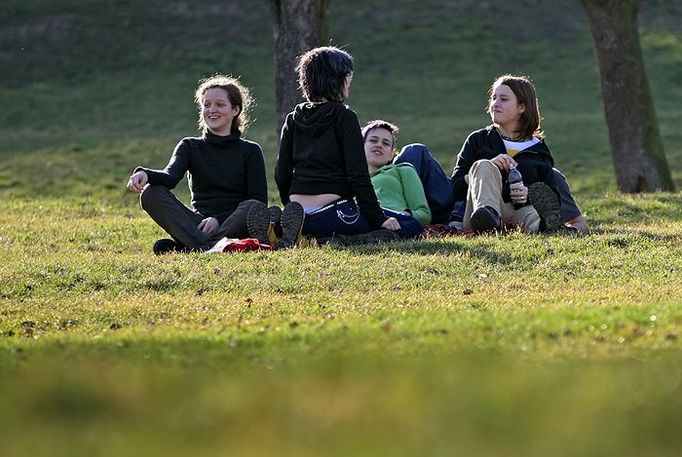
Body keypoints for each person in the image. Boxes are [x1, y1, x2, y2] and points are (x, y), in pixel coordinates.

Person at [126, 75, 272, 254]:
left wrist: (218, 219)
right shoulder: (189, 146)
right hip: (199, 225)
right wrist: (145, 174)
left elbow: (259, 202)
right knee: (150, 193)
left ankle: (191, 247)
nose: (212, 110)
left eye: (220, 104)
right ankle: (210, 246)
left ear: (235, 109)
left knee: (252, 207)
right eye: (207, 104)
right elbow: (170, 178)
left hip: (234, 223)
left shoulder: (251, 150)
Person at [275, 46, 400, 245]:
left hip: (298, 211)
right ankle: (334, 239)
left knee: (307, 223)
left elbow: (281, 174)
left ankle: (292, 229)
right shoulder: (345, 118)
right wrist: (380, 219)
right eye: (348, 77)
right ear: (336, 80)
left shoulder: (293, 119)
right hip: (335, 212)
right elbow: (357, 176)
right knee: (407, 225)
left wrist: (290, 204)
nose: (350, 83)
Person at [451, 74, 572, 234]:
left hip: (519, 211)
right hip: (477, 211)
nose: (495, 104)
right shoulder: (478, 140)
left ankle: (545, 227)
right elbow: (454, 189)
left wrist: (528, 193)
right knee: (483, 164)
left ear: (522, 107)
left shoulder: (538, 148)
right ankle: (488, 219)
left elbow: (554, 196)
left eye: (503, 99)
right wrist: (480, 173)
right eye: (493, 98)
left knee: (533, 216)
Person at [362, 120, 428, 239]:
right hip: (361, 217)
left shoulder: (402, 171)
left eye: (386, 143)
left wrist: (406, 214)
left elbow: (424, 214)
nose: (379, 145)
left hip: (395, 220)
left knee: (410, 226)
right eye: (373, 140)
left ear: (391, 155)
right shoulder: (349, 179)